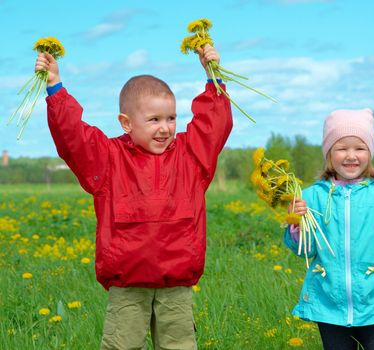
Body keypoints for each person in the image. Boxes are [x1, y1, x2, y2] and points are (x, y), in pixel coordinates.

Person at [35, 44, 232, 349]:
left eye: (171, 118)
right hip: (127, 285)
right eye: (154, 120)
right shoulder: (108, 159)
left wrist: (213, 77)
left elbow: (213, 124)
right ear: (126, 123)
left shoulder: (191, 157)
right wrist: (55, 88)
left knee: (179, 346)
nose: (165, 128)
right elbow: (73, 137)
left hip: (176, 284)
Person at [284, 108, 374, 350]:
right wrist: (297, 224)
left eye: (360, 148)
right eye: (341, 148)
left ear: (370, 152)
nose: (351, 156)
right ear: (328, 154)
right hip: (330, 305)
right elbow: (304, 251)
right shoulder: (311, 196)